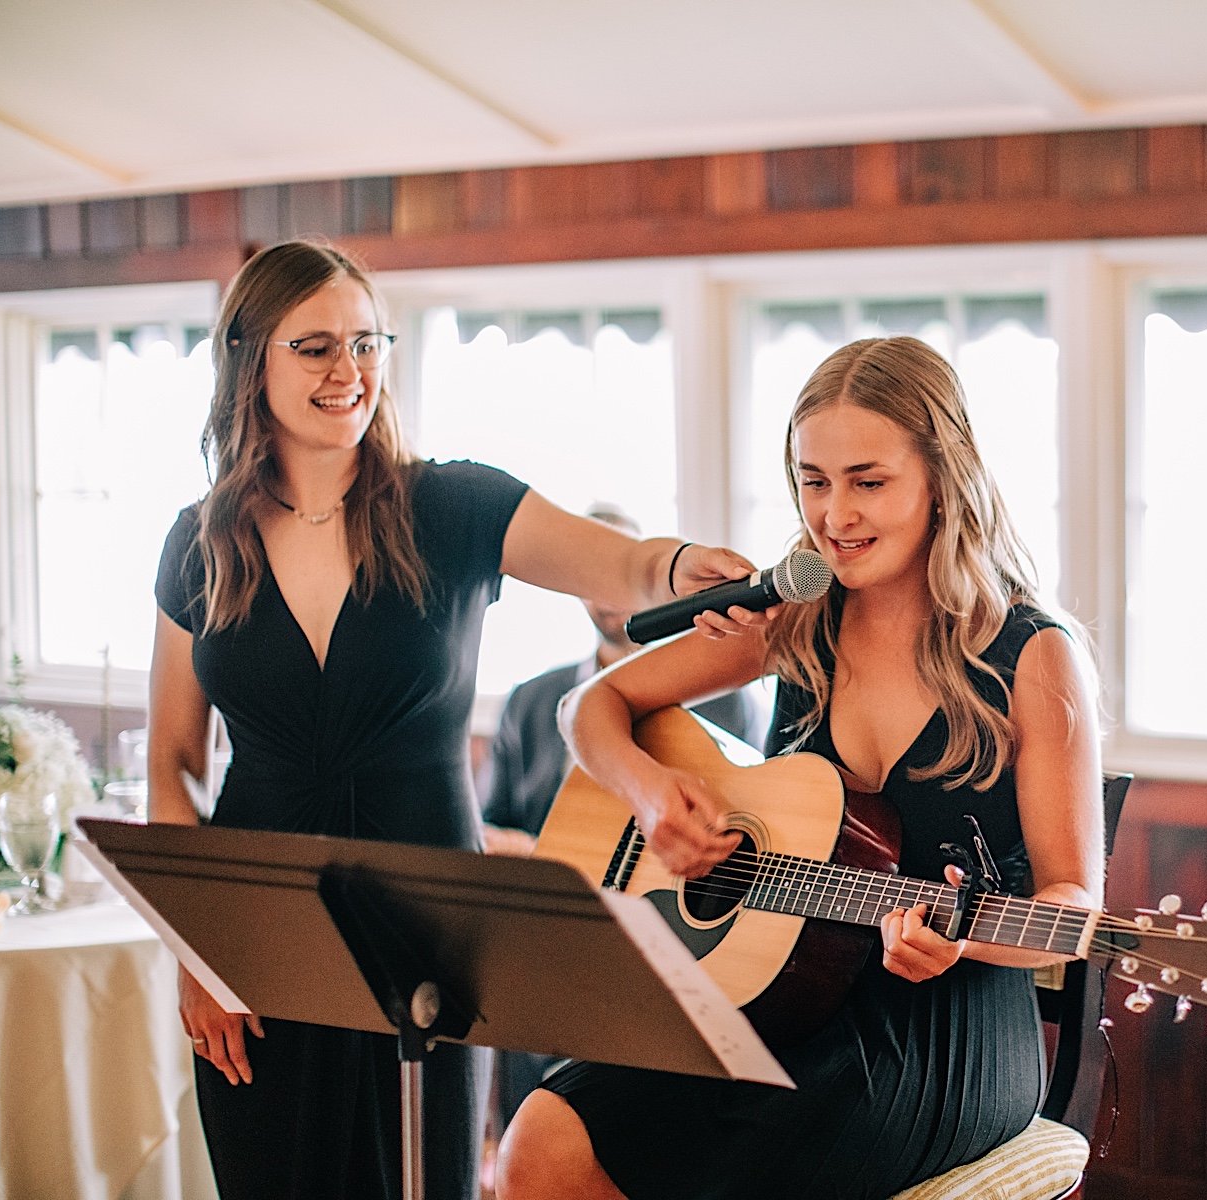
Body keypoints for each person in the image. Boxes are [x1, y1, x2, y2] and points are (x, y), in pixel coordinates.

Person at [146, 238, 760, 1200]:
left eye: (366, 342)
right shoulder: (200, 541)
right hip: (255, 933)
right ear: (248, 359)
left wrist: (682, 568)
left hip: (428, 921)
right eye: (314, 347)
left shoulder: (454, 505)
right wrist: (197, 946)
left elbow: (625, 563)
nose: (348, 371)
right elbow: (174, 764)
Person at [493, 335, 1104, 1200]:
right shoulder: (792, 619)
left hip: (943, 1031)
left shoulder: (1032, 658)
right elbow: (587, 708)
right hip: (779, 994)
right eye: (814, 482)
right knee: (541, 1137)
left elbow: (1075, 905)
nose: (835, 516)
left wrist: (960, 933)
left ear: (944, 476)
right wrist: (650, 791)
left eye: (868, 481)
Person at [482, 500, 767, 1127]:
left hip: (665, 922)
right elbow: (487, 822)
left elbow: (750, 818)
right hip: (553, 917)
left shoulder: (723, 695)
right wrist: (543, 860)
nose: (608, 597)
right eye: (594, 582)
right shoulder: (532, 700)